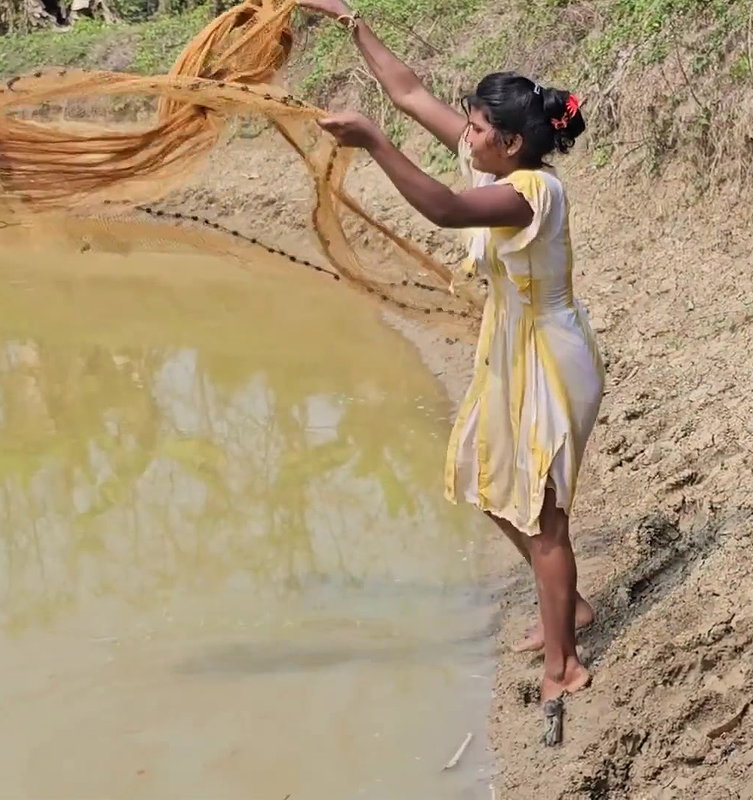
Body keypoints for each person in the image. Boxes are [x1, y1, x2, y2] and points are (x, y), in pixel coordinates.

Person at [296, 0, 603, 743]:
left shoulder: (527, 192)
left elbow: (441, 209)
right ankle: (571, 608)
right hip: (511, 349)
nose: (462, 135)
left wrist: (370, 141)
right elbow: (408, 94)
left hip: (550, 363)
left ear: (511, 142)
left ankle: (563, 664)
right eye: (467, 124)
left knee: (543, 516)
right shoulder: (499, 156)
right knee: (487, 484)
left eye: (474, 130)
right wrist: (353, 22)